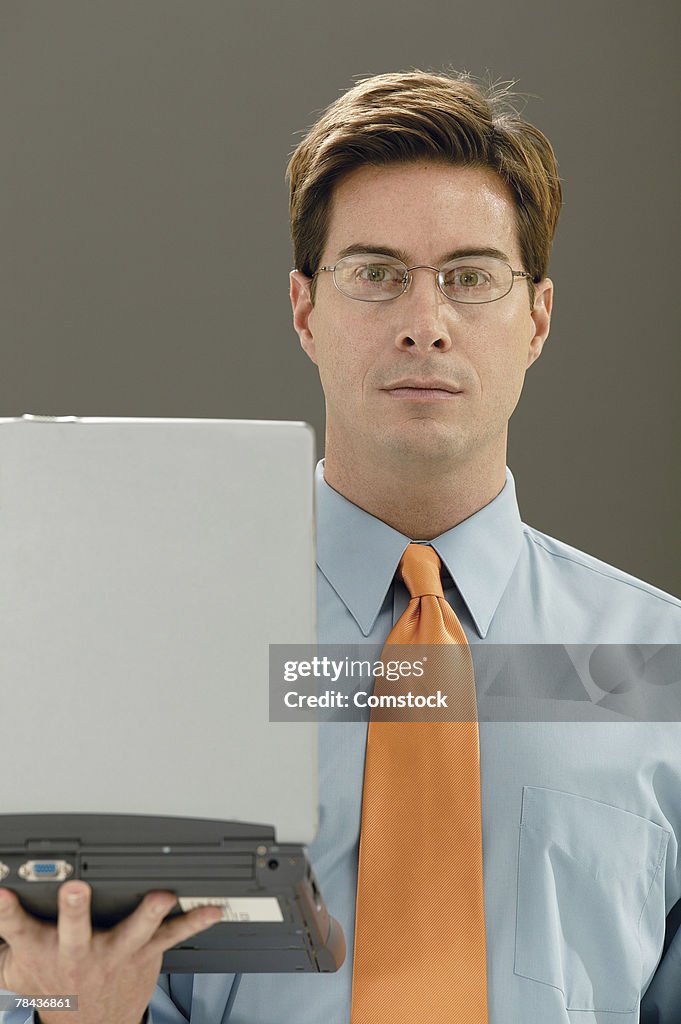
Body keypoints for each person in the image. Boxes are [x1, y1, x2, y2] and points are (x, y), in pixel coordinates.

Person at [1, 69, 680, 1024]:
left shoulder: (661, 669)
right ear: (304, 308)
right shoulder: (151, 656)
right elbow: (59, 980)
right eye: (375, 273)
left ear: (537, 318)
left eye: (471, 277)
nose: (423, 324)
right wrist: (66, 1007)